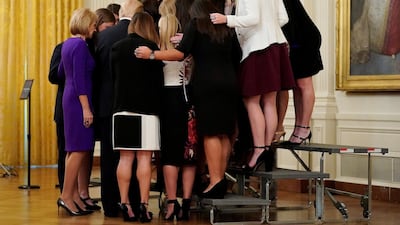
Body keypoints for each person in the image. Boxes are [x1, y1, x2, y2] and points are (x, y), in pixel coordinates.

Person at [135, 0, 242, 199]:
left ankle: (215, 180)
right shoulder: (226, 27)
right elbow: (237, 54)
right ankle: (220, 178)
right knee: (225, 132)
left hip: (207, 85)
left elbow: (179, 54)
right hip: (230, 83)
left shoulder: (196, 24)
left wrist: (152, 55)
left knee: (210, 133)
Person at [210, 0, 295, 171]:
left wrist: (227, 19)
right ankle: (266, 149)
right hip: (276, 44)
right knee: (270, 101)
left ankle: (258, 150)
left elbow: (254, 18)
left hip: (258, 47)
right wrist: (268, 27)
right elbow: (283, 18)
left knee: (251, 101)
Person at [111, 11, 164, 223]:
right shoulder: (152, 49)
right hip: (148, 111)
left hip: (122, 109)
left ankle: (125, 204)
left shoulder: (117, 47)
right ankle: (143, 205)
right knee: (144, 159)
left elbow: (113, 78)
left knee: (125, 158)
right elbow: (158, 84)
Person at [94, 0, 144, 218]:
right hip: (133, 103)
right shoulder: (142, 38)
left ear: (121, 13)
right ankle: (131, 201)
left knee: (108, 157)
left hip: (106, 103)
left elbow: (95, 73)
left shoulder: (103, 37)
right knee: (131, 155)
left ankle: (110, 204)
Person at [56, 8, 97, 216]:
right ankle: (65, 196)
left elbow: (60, 73)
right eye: (92, 25)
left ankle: (71, 195)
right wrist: (86, 108)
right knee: (80, 149)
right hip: (79, 100)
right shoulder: (80, 45)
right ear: (84, 24)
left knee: (72, 149)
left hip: (68, 98)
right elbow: (81, 80)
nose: (94, 28)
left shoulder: (67, 44)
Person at [157, 0, 196, 220]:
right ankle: (187, 203)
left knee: (170, 154)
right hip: (188, 97)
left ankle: (172, 202)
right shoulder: (187, 47)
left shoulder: (158, 51)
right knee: (189, 152)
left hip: (168, 99)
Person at [276, 0, 324, 145]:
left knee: (304, 84)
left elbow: (287, 20)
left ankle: (304, 127)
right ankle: (298, 126)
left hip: (304, 39)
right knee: (296, 86)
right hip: (294, 40)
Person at [48, 42, 66, 192]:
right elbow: (52, 76)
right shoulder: (62, 48)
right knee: (64, 151)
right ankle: (65, 192)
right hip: (65, 107)